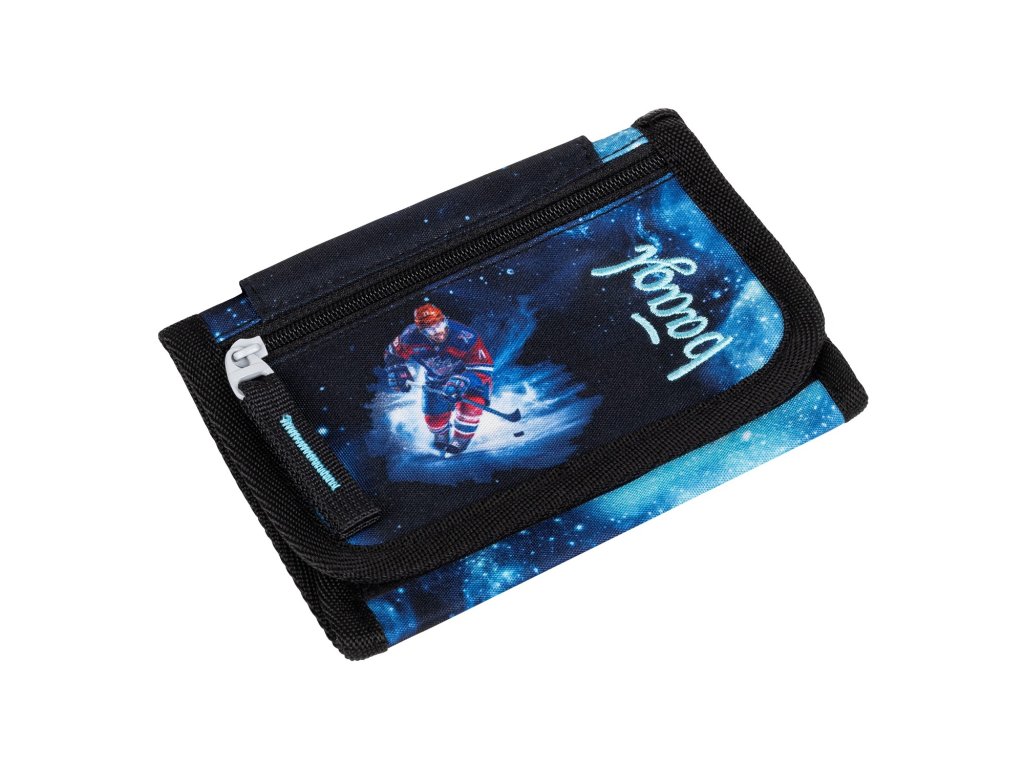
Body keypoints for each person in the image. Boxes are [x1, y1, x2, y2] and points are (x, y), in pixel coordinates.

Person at [383, 303, 494, 454]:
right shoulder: (409, 336)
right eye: (430, 329)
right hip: (437, 380)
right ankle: (441, 434)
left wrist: (464, 380)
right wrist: (397, 370)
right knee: (434, 420)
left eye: (439, 324)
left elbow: (484, 367)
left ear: (444, 320)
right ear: (421, 330)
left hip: (470, 380)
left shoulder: (467, 336)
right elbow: (392, 353)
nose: (438, 331)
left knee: (471, 407)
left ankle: (461, 438)